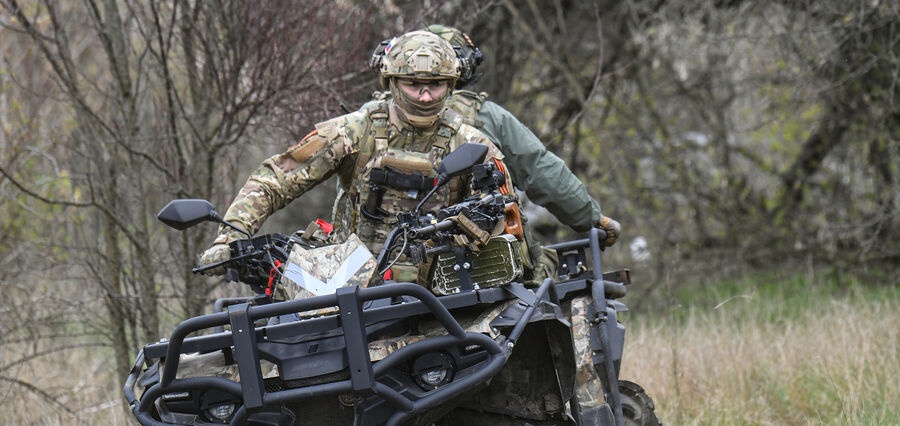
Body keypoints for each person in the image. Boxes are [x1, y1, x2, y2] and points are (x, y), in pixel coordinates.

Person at [198, 30, 517, 281]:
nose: (424, 95)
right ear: (392, 81)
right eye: (413, 84)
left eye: (435, 85)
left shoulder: (474, 145)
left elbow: (506, 219)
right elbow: (275, 180)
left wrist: (474, 226)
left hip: (439, 294)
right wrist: (228, 238)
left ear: (450, 85)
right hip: (345, 282)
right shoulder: (354, 131)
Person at [351, 24, 621, 246]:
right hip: (465, 259)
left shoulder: (372, 114)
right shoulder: (488, 116)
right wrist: (591, 218)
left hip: (372, 254)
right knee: (541, 267)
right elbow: (540, 169)